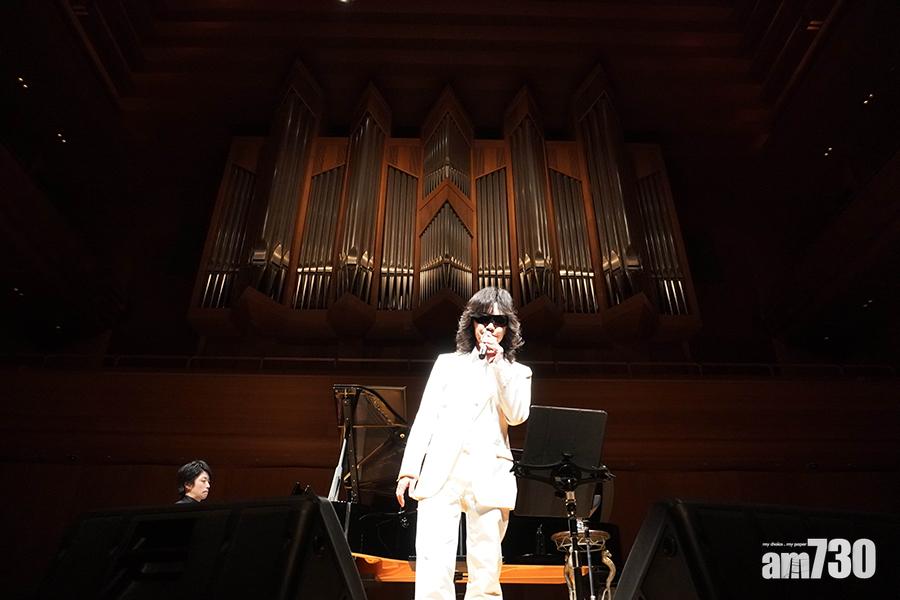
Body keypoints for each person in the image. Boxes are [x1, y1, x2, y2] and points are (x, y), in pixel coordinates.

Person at [396, 287, 532, 600]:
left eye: (498, 321)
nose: (490, 326)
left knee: (486, 570)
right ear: (472, 323)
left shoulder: (518, 373)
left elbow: (517, 415)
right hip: (442, 471)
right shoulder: (447, 364)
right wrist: (409, 469)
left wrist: (498, 365)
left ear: (507, 328)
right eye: (483, 319)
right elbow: (426, 416)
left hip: (489, 473)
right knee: (432, 564)